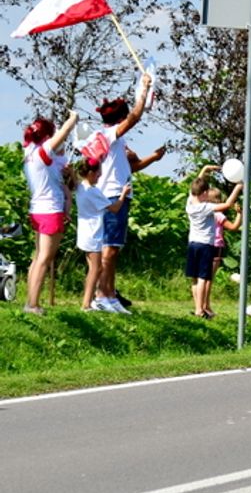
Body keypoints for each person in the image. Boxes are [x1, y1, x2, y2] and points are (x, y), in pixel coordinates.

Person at [95, 73, 154, 308]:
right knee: (108, 249)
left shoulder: (115, 140)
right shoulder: (109, 135)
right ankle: (102, 295)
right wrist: (143, 90)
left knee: (113, 249)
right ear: (119, 119)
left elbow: (131, 165)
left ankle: (109, 294)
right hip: (111, 195)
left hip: (118, 194)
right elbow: (135, 117)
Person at [21, 111, 78, 314]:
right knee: (45, 258)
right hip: (50, 210)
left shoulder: (30, 152)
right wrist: (72, 120)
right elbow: (62, 135)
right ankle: (32, 304)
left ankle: (30, 300)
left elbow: (58, 165)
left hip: (37, 209)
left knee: (38, 258)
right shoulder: (43, 151)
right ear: (47, 136)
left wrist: (67, 172)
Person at [74, 157, 130, 312]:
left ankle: (89, 300)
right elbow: (115, 208)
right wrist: (123, 194)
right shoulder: (93, 192)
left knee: (94, 268)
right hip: (93, 234)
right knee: (96, 269)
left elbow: (72, 178)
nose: (99, 176)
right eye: (98, 173)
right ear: (91, 173)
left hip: (84, 232)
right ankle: (86, 303)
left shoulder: (80, 187)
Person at [186, 166, 242, 318]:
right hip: (205, 245)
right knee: (204, 278)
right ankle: (199, 310)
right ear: (204, 193)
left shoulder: (190, 203)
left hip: (192, 244)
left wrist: (205, 170)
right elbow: (227, 205)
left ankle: (198, 307)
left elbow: (196, 185)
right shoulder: (207, 207)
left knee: (194, 278)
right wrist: (237, 188)